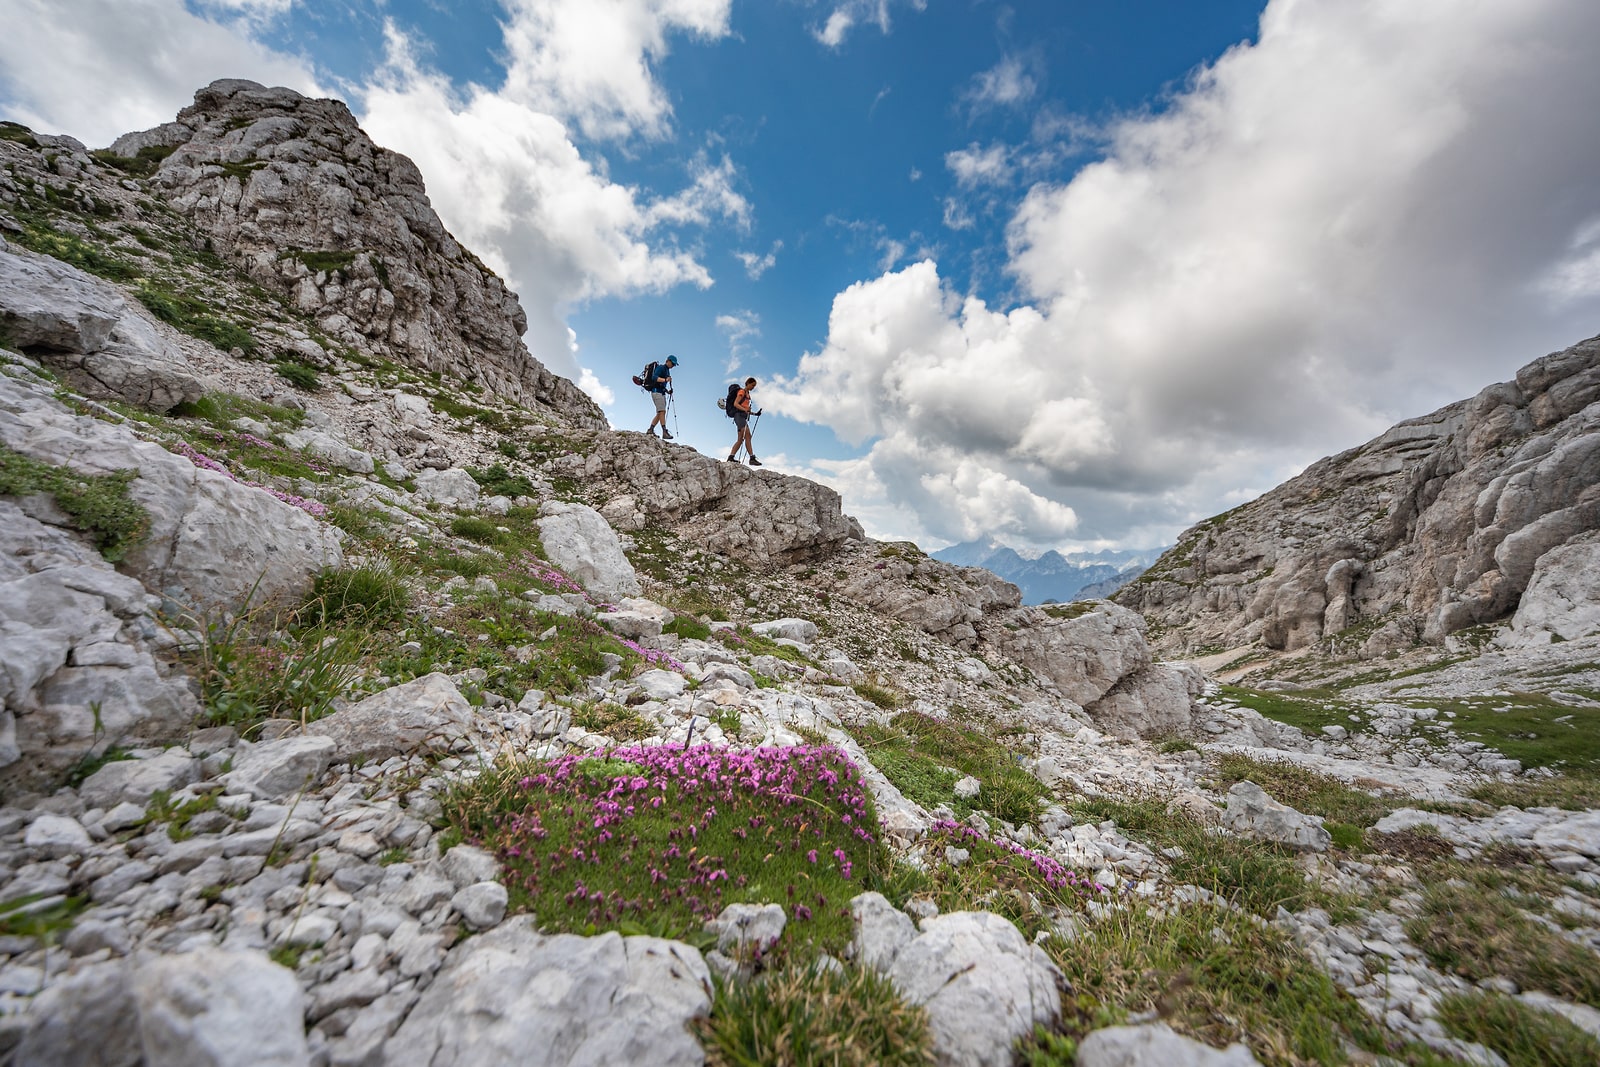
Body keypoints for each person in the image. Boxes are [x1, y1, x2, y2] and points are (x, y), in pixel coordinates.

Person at [728, 376, 762, 466]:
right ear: (748, 383)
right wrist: (744, 410)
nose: (753, 387)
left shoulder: (747, 395)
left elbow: (747, 410)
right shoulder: (742, 392)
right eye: (752, 385)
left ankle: (731, 457)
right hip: (739, 416)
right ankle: (752, 458)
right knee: (748, 436)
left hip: (741, 416)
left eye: (754, 386)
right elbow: (736, 404)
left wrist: (756, 414)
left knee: (740, 439)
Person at [645, 354, 678, 439]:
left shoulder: (667, 370)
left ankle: (650, 430)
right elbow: (654, 377)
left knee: (660, 413)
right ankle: (664, 432)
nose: (673, 366)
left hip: (661, 393)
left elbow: (662, 385)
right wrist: (665, 380)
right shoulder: (661, 368)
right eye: (673, 363)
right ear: (668, 361)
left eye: (674, 364)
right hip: (656, 392)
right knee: (662, 412)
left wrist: (668, 391)